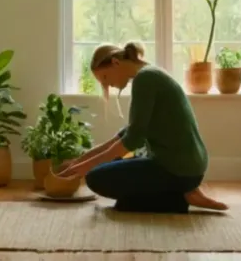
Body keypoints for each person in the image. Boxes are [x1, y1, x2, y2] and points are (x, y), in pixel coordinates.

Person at [57, 41, 228, 213]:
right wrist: (78, 162)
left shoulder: (145, 79)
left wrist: (82, 170)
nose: (108, 86)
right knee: (111, 173)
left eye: (106, 78)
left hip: (178, 168)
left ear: (116, 63)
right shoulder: (150, 74)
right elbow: (126, 135)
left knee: (95, 178)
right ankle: (186, 189)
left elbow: (132, 140)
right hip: (188, 166)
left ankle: (180, 197)